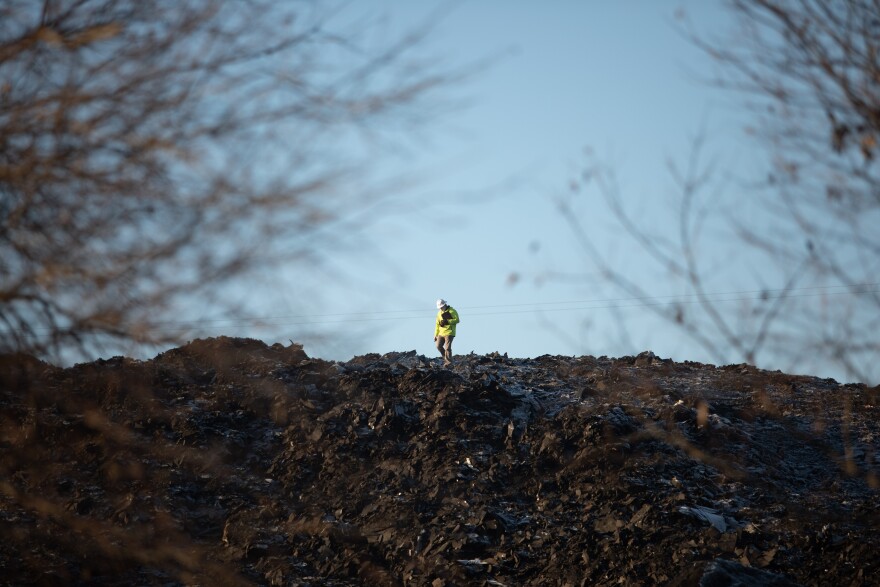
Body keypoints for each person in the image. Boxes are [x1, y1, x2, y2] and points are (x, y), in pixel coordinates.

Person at [433, 298, 460, 366]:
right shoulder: (439, 313)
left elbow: (457, 320)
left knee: (447, 348)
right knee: (438, 346)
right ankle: (446, 358)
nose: (440, 308)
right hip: (441, 333)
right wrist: (435, 334)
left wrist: (447, 321)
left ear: (445, 305)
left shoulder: (452, 311)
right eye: (440, 307)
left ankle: (449, 362)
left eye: (441, 307)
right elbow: (437, 324)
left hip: (449, 332)